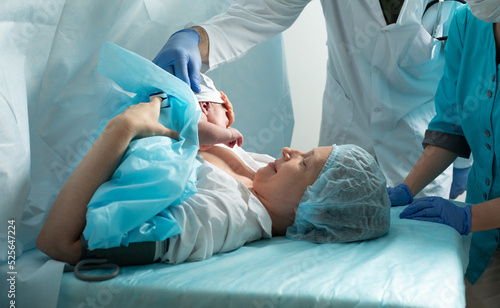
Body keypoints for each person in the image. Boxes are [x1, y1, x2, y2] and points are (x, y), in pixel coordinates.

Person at [152, 0, 469, 202]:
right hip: (345, 139)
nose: (289, 154)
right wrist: (197, 38)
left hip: (422, 155)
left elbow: (476, 73)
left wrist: (466, 160)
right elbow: (263, 10)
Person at [36, 95, 390, 267]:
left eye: (304, 162)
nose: (288, 151)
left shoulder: (216, 219)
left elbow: (60, 244)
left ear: (313, 207)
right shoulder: (262, 174)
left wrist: (124, 129)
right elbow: (187, 146)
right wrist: (211, 116)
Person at [387, 3, 500, 308]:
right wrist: (408, 188)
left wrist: (469, 217)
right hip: (485, 242)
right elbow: (452, 126)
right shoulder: (468, 22)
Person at [195, 73, 243, 150]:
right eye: (226, 123)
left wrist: (221, 139)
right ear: (205, 107)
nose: (226, 128)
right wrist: (230, 134)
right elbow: (196, 131)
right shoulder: (196, 113)